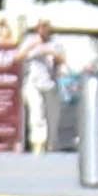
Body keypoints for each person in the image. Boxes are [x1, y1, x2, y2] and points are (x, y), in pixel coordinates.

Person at [18, 19, 60, 154]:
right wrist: (31, 47)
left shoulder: (55, 43)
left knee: (51, 115)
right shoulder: (30, 41)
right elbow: (18, 57)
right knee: (36, 112)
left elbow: (63, 59)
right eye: (41, 27)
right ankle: (38, 142)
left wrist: (51, 53)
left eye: (46, 27)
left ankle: (51, 143)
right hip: (32, 82)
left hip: (49, 82)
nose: (43, 30)